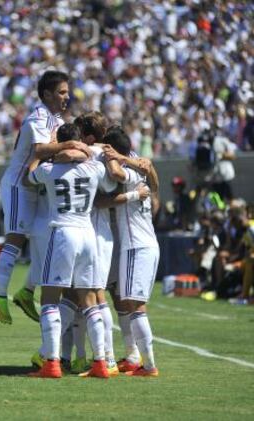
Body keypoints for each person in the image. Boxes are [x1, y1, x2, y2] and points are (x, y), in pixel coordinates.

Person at [0, 70, 90, 325]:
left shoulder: (54, 119)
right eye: (61, 92)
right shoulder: (38, 116)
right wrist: (71, 146)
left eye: (67, 92)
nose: (67, 97)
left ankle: (25, 292)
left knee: (46, 242)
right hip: (18, 185)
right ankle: (0, 297)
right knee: (15, 239)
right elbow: (40, 149)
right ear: (46, 94)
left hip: (37, 185)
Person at [27, 123, 117, 379]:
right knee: (91, 301)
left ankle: (52, 363)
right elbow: (110, 185)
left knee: (50, 298)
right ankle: (100, 362)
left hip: (63, 233)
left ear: (62, 143)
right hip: (88, 234)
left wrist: (46, 151)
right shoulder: (94, 167)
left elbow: (28, 175)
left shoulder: (49, 169)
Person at [101, 127, 160, 377]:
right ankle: (137, 360)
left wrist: (114, 159)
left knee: (136, 306)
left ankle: (149, 366)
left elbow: (115, 172)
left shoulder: (128, 170)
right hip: (144, 243)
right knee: (128, 302)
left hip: (136, 245)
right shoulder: (140, 165)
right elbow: (155, 183)